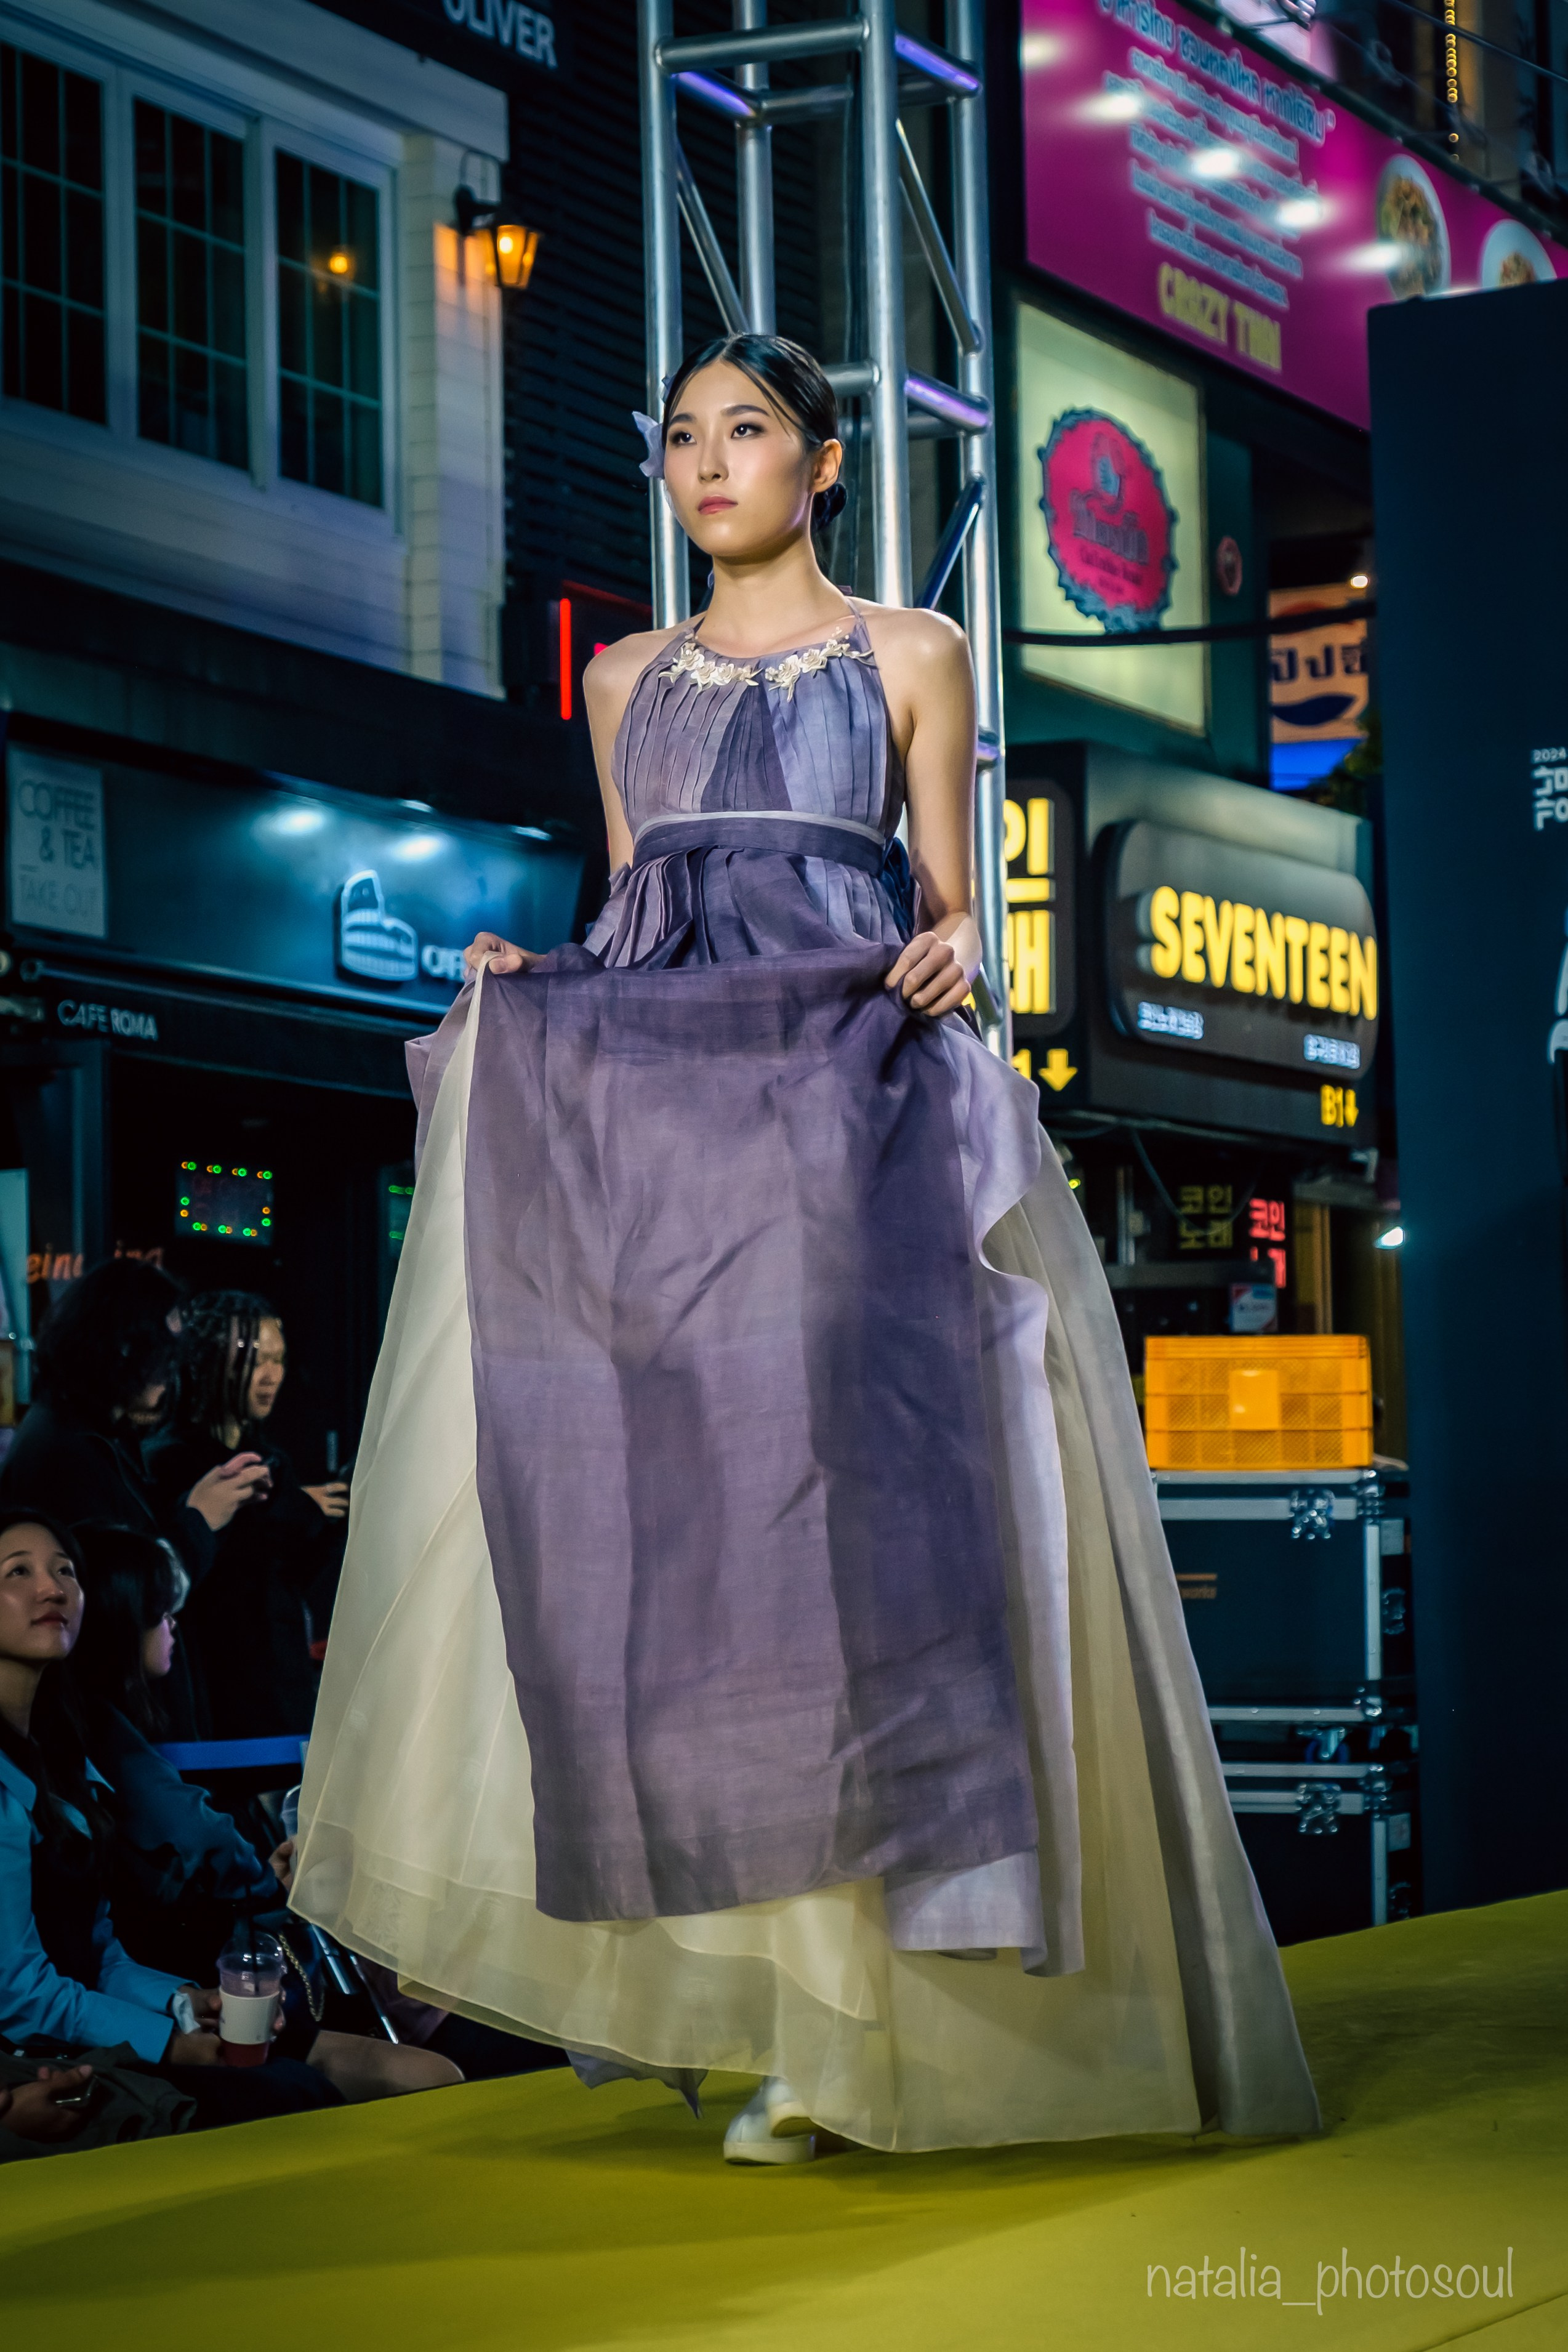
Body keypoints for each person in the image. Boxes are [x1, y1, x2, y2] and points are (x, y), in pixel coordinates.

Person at [292, 334, 1321, 2160]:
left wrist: (966, 956)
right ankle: (795, 2014)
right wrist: (539, 973)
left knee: (870, 1552)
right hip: (682, 1151)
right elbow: (634, 921)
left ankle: (898, 2028)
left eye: (746, 429)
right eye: (683, 433)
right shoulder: (621, 678)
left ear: (824, 461)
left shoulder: (916, 653)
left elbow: (954, 910)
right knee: (703, 1568)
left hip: (861, 1118)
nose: (707, 460)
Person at [65, 1520, 461, 2105]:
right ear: (124, 1622)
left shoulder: (90, 1729)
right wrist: (264, 1882)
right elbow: (199, 1834)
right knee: (418, 2072)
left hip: (175, 1990)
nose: (175, 1626)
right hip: (188, 1992)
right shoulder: (102, 1736)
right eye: (162, 1612)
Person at [0, 1508, 340, 2129]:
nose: (51, 1588)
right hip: (38, 2055)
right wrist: (169, 2041)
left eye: (64, 1571)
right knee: (287, 2094)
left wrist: (184, 2001)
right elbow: (19, 1991)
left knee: (295, 2087)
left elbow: (98, 1954)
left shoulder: (65, 1758)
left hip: (79, 2024)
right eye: (17, 1572)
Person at [0, 1261, 270, 1738]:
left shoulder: (96, 1440)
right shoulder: (62, 1451)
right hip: (108, 1733)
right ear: (121, 1350)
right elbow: (114, 1602)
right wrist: (199, 1520)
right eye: (159, 1356)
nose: (169, 1377)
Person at [146, 1295, 348, 1739]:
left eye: (278, 1359)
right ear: (210, 1361)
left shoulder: (272, 1460)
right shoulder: (171, 1461)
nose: (271, 1376)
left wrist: (329, 1522)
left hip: (280, 1684)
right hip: (213, 1689)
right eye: (255, 1360)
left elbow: (298, 1578)